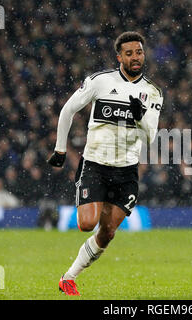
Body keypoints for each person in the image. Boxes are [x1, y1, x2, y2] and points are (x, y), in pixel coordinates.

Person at [47, 31, 163, 296]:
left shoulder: (152, 92)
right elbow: (68, 109)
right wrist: (60, 149)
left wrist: (139, 117)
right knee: (87, 224)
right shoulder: (100, 82)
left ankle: (68, 277)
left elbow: (151, 135)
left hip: (127, 170)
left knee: (108, 232)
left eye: (139, 52)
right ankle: (90, 202)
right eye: (130, 53)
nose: (135, 57)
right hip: (95, 165)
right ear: (119, 56)